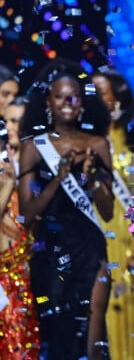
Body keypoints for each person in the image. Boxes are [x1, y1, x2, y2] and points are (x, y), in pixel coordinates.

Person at [18, 58, 114, 359]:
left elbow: (108, 210)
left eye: (72, 96)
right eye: (59, 96)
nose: (66, 102)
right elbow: (26, 214)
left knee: (92, 332)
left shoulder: (97, 144)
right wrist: (59, 178)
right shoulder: (33, 147)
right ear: (49, 101)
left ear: (82, 101)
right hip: (50, 251)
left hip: (90, 249)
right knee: (57, 332)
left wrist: (93, 174)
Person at [92, 69, 134, 360]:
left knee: (130, 311)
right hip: (96, 239)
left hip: (130, 243)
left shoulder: (133, 139)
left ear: (118, 97)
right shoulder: (86, 140)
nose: (95, 97)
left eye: (101, 91)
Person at [0, 97, 40, 359]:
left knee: (27, 344)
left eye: (21, 121)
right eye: (10, 120)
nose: (15, 127)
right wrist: (7, 183)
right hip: (3, 277)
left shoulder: (38, 164)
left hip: (29, 276)